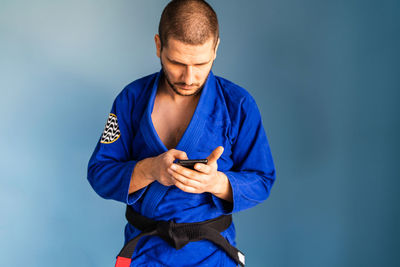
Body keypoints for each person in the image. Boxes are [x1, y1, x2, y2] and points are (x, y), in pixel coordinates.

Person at [87, 0, 276, 266]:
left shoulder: (238, 104)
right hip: (145, 253)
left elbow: (262, 179)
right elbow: (99, 173)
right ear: (158, 46)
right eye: (176, 62)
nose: (189, 77)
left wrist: (216, 183)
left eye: (201, 64)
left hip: (212, 254)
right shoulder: (130, 100)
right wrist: (150, 170)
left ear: (216, 48)